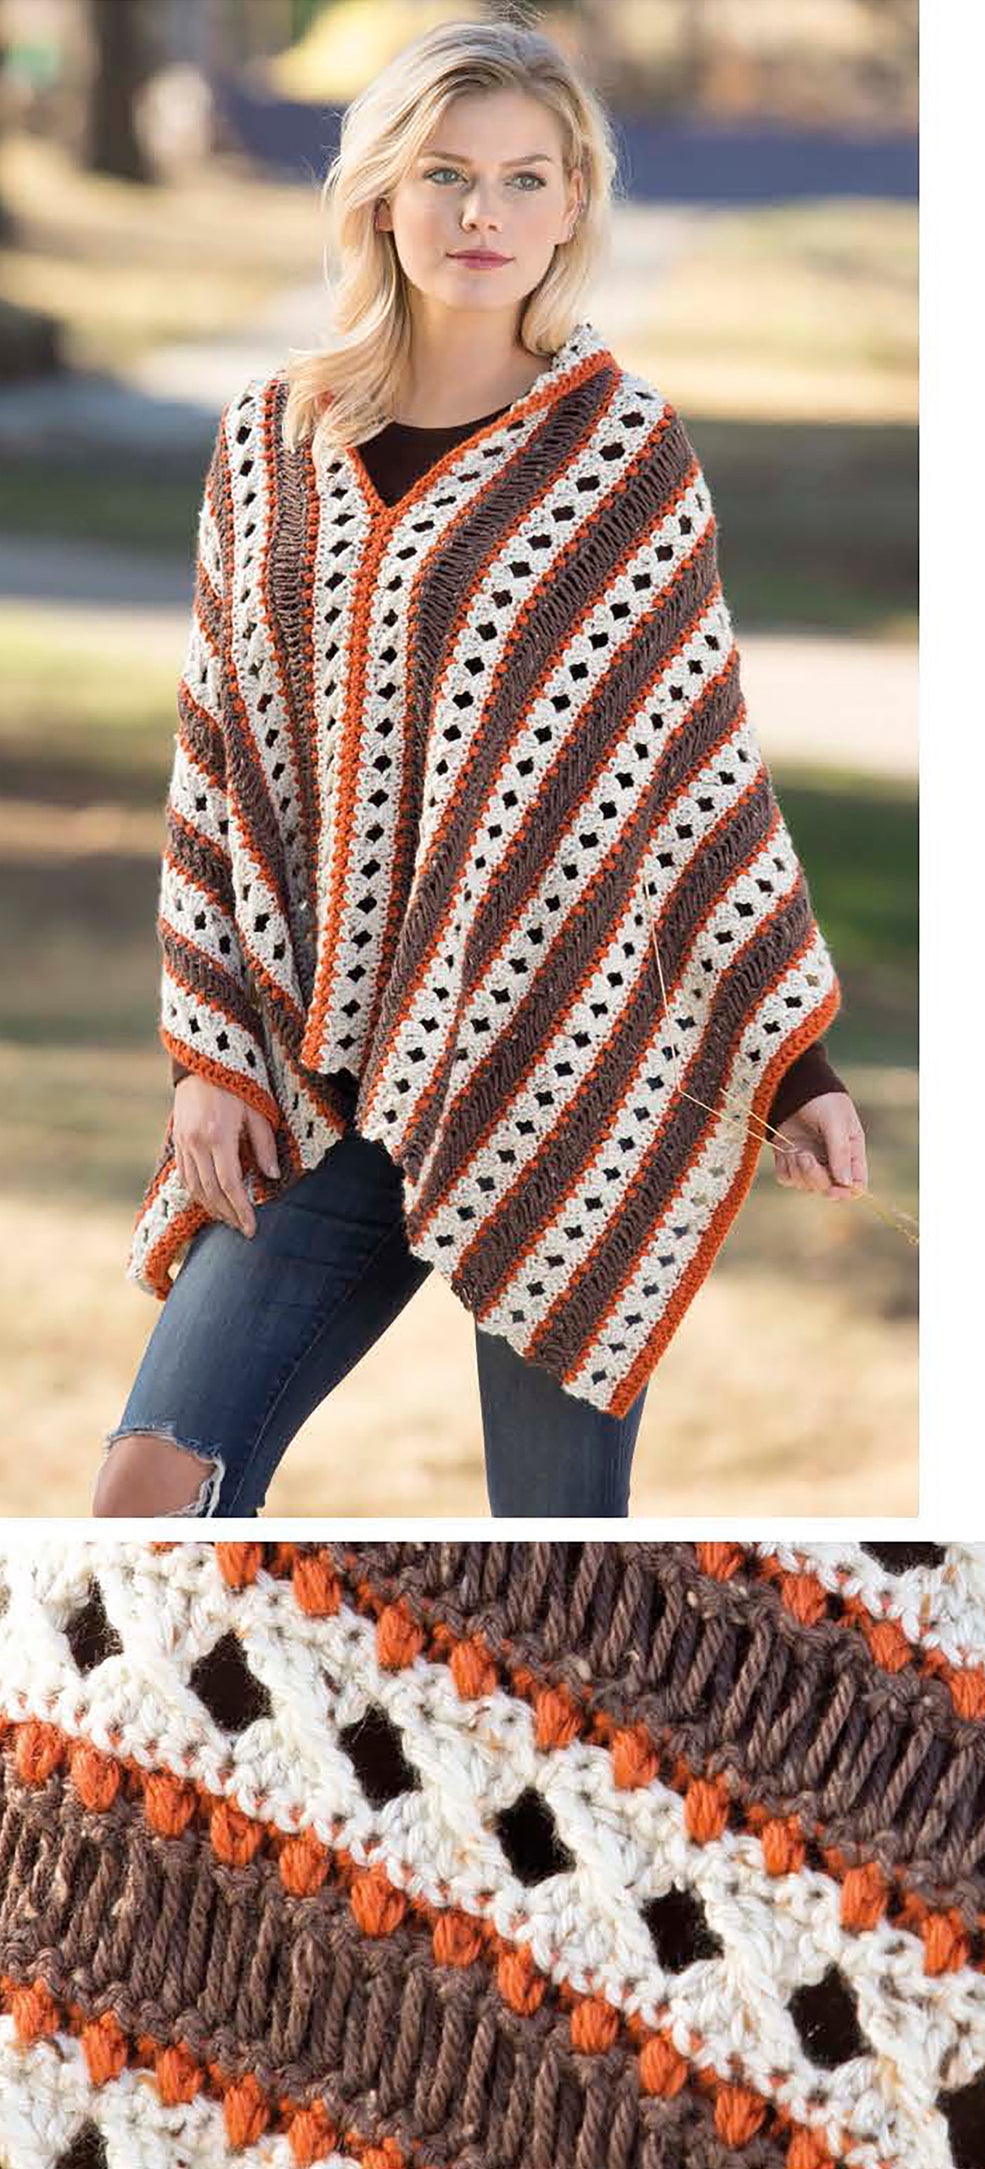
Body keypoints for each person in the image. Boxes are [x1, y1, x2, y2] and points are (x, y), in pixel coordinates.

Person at [100, 19, 868, 1518]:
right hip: (307, 1089)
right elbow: (216, 757)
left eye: (524, 179)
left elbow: (695, 779)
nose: (481, 215)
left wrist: (796, 1068)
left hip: (558, 1070)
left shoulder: (621, 453)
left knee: (559, 1542)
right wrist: (204, 1055)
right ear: (381, 192)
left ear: (574, 202)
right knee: (148, 1489)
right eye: (445, 175)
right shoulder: (271, 433)